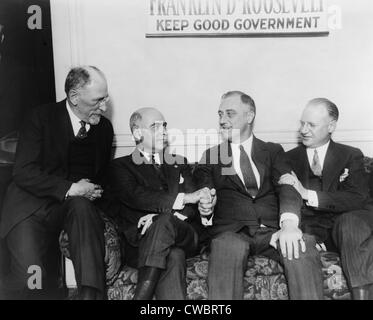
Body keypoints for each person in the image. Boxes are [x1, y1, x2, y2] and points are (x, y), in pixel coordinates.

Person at [194, 91, 324, 300]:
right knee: (226, 247)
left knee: (301, 243)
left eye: (230, 114)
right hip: (230, 232)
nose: (222, 121)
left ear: (249, 116)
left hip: (272, 231)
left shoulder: (272, 151)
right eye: (220, 115)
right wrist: (206, 206)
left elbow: (288, 186)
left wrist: (289, 224)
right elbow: (204, 191)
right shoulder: (210, 156)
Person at [0, 66, 113, 300]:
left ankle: (91, 296)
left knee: (83, 206)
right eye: (98, 100)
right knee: (29, 279)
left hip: (70, 208)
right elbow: (23, 172)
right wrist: (71, 188)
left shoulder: (103, 128)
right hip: (29, 208)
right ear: (74, 97)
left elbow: (99, 176)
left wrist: (94, 191)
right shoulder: (40, 118)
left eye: (106, 98)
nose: (104, 106)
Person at [101, 107, 209, 300]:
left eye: (164, 126)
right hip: (141, 244)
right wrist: (182, 200)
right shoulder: (120, 167)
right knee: (174, 256)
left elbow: (192, 208)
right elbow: (136, 196)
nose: (164, 131)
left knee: (165, 222)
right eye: (155, 126)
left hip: (184, 235)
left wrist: (161, 218)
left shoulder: (179, 162)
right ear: (137, 133)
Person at [279, 98, 373, 299]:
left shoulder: (351, 155)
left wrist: (307, 194)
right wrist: (312, 234)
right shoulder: (287, 158)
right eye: (302, 123)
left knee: (351, 222)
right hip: (312, 229)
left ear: (331, 126)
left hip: (347, 228)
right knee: (299, 239)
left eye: (311, 125)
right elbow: (287, 201)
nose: (304, 130)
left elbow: (356, 199)